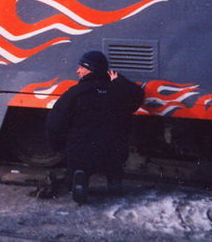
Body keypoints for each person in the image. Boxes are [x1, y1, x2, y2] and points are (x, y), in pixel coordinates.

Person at [45, 50, 144, 205]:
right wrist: (120, 80)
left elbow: (55, 123)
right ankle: (114, 180)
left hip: (82, 151)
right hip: (114, 151)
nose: (77, 71)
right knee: (114, 158)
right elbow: (138, 95)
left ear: (90, 69)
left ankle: (80, 177)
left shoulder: (74, 93)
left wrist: (58, 147)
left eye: (81, 67)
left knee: (78, 164)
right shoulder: (118, 91)